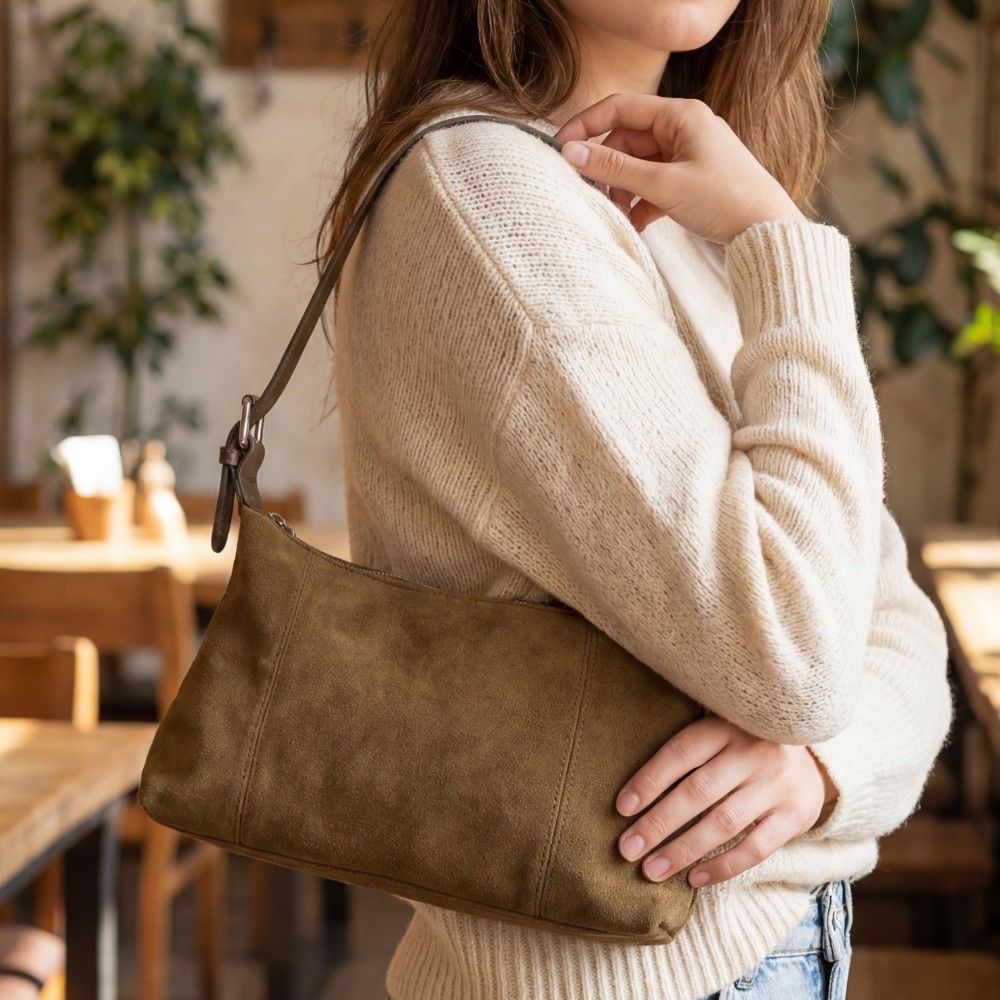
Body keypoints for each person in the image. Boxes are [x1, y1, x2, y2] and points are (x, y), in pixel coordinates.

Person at [325, 0, 953, 997]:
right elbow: (796, 652)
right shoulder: (488, 194)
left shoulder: (682, 211)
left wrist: (823, 764)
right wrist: (776, 238)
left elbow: (886, 604)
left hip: (754, 948)